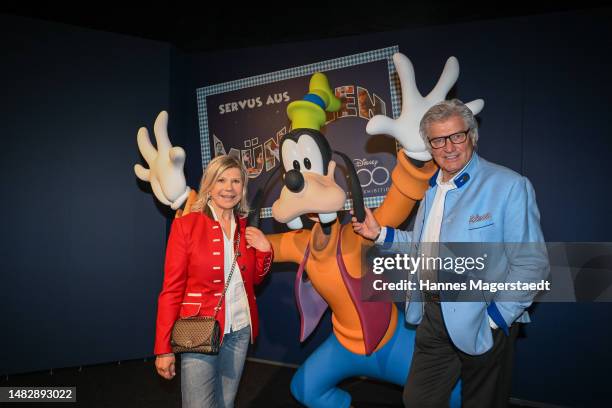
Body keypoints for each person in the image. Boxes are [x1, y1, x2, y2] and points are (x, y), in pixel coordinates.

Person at [352, 99, 549, 408]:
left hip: (485, 319)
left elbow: (532, 264)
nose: (449, 147)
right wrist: (380, 234)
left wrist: (496, 318)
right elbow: (423, 248)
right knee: (418, 399)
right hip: (432, 316)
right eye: (438, 140)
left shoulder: (509, 185)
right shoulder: (431, 190)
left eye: (456, 136)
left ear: (471, 134)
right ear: (430, 145)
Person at [154, 155, 273, 408]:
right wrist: (163, 348)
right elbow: (171, 291)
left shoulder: (245, 227)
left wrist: (264, 251)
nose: (229, 188)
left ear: (243, 189)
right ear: (209, 185)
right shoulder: (186, 226)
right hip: (199, 330)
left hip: (240, 330)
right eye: (221, 180)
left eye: (236, 181)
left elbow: (253, 281)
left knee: (226, 403)